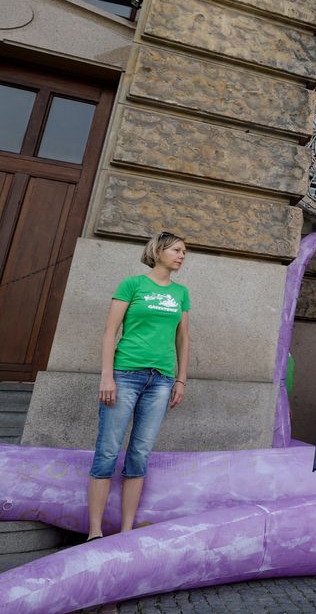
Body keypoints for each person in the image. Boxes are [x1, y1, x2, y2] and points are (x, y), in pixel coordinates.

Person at [87, 231, 190, 540]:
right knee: (107, 451)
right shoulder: (132, 285)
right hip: (125, 374)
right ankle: (94, 532)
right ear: (158, 251)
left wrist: (181, 379)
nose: (182, 255)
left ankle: (127, 531)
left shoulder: (181, 292)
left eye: (184, 251)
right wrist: (107, 375)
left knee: (140, 454)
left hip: (161, 380)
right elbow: (110, 332)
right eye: (176, 250)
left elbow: (183, 339)